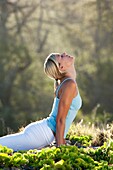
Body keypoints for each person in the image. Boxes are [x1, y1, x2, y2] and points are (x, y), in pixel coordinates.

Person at [0, 52, 82, 151]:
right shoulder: (69, 84)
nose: (64, 53)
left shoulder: (67, 83)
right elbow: (60, 119)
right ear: (61, 67)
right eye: (61, 56)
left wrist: (62, 140)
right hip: (41, 134)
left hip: (42, 134)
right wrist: (60, 148)